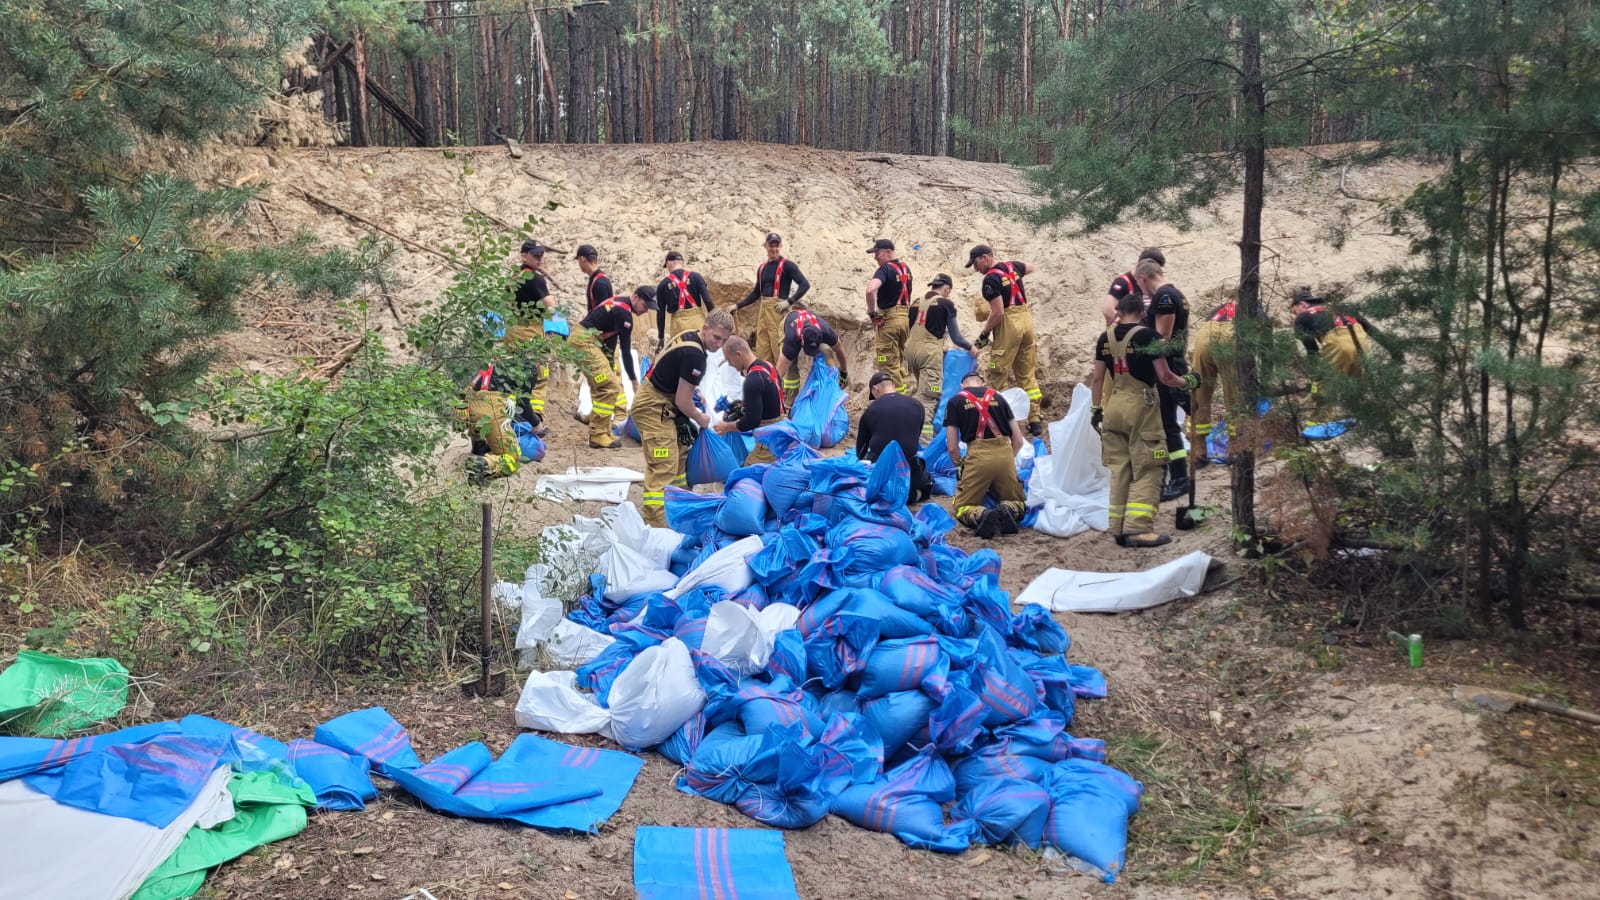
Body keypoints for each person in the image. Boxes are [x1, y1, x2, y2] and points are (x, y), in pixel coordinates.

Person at [1090, 292, 1200, 548]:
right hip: (1140, 407)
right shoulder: (1147, 336)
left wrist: (1096, 409)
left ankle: (1118, 527)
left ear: (1119, 312)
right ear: (1142, 313)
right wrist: (1188, 382)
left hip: (1113, 406)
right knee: (1150, 466)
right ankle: (1138, 528)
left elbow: (1097, 379)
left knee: (1120, 468)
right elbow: (1165, 376)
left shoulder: (1105, 338)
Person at [636, 308, 735, 525]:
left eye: (724, 340)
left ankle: (679, 505)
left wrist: (694, 393)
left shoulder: (689, 337)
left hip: (664, 402)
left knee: (681, 453)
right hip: (653, 407)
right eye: (716, 337)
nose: (719, 344)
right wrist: (700, 418)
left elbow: (678, 379)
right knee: (664, 464)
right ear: (705, 328)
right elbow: (682, 401)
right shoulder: (695, 355)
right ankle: (656, 522)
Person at [1133, 258, 1193, 501]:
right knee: (1186, 414)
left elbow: (1162, 336)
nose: (1142, 291)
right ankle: (1182, 472)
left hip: (1167, 367)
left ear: (1143, 278)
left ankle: (1180, 478)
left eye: (1140, 285)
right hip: (1173, 364)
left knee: (1169, 424)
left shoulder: (1164, 297)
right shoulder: (1176, 294)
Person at [968, 245, 1045, 436]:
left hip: (1009, 325)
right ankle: (1035, 419)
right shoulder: (1012, 266)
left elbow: (998, 313)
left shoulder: (990, 280)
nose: (976, 269)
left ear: (985, 257)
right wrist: (1012, 278)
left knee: (997, 371)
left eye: (976, 263)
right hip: (1026, 321)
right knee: (1026, 372)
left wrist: (983, 335)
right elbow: (1030, 267)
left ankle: (1001, 419)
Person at [945, 371, 1027, 539]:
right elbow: (1018, 440)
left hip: (977, 456)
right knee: (1017, 500)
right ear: (982, 383)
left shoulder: (955, 401)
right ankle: (1008, 509)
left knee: (963, 505)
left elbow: (952, 448)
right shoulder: (1000, 398)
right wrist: (1006, 461)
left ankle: (982, 514)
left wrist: (961, 468)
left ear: (962, 385)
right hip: (1005, 453)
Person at [570, 288, 647, 450]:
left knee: (603, 384)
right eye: (645, 305)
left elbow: (611, 340)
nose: (646, 310)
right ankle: (598, 434)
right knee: (608, 385)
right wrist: (634, 381)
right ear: (635, 297)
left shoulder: (620, 305)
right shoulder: (624, 313)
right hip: (584, 342)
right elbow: (626, 351)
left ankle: (603, 430)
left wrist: (610, 364)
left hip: (585, 341)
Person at [1288, 287, 1367, 439]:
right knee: (1358, 380)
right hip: (1361, 339)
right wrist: (1394, 350)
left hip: (1337, 343)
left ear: (1302, 304)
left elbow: (1312, 351)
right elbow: (1370, 329)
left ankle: (1318, 425)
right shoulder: (1339, 308)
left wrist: (1315, 376)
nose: (1295, 315)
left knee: (1322, 386)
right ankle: (1362, 416)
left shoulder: (1303, 317)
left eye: (1294, 311)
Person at [905, 273, 976, 440]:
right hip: (929, 355)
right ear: (947, 288)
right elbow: (956, 337)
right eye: (948, 291)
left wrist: (938, 344)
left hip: (911, 352)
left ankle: (915, 431)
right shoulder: (946, 304)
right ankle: (924, 442)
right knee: (929, 399)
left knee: (923, 391)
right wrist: (970, 347)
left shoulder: (915, 302)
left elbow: (915, 329)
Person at [734, 232, 811, 366]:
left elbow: (805, 285)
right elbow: (756, 293)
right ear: (765, 246)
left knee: (778, 346)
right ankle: (766, 374)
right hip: (764, 311)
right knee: (762, 346)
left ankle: (781, 378)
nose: (774, 249)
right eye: (771, 246)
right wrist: (738, 305)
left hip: (778, 311)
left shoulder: (788, 266)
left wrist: (789, 301)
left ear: (780, 246)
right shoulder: (762, 268)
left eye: (776, 246)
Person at [858, 372, 934, 503]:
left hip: (880, 469)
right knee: (928, 484)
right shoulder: (917, 405)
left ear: (875, 389)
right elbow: (915, 437)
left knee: (869, 483)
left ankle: (889, 494)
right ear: (893, 386)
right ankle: (912, 495)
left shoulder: (872, 409)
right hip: (909, 470)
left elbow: (861, 448)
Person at [503, 239, 552, 431]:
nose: (540, 259)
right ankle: (534, 418)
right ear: (524, 256)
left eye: (541, 255)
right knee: (538, 375)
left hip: (512, 331)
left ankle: (513, 416)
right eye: (536, 256)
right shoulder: (535, 279)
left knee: (514, 375)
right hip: (530, 333)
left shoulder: (514, 277)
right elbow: (551, 307)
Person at [712, 336, 786, 464]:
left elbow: (751, 422)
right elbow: (769, 399)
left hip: (768, 439)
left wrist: (726, 427)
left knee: (744, 474)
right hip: (782, 428)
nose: (730, 364)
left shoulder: (752, 380)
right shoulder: (768, 366)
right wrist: (741, 408)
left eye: (729, 360)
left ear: (738, 355)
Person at [1189, 298, 1239, 467]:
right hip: (1230, 337)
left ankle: (1198, 451)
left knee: (1199, 394)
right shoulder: (1255, 310)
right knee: (1234, 395)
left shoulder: (1221, 308)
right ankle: (1235, 449)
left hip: (1204, 334)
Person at [460, 363, 524, 484]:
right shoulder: (520, 366)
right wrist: (536, 424)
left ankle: (478, 447)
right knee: (512, 458)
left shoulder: (488, 363)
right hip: (491, 407)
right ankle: (483, 464)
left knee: (480, 422)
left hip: (469, 406)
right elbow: (525, 405)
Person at [865, 238, 913, 389]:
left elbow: (870, 290)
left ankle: (894, 397)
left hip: (890, 320)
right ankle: (902, 391)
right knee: (898, 359)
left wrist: (872, 314)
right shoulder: (906, 269)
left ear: (888, 252)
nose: (875, 257)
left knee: (886, 361)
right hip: (905, 319)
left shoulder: (884, 270)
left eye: (877, 253)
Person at [776, 306, 848, 405]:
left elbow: (840, 350)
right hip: (789, 324)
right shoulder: (791, 339)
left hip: (810, 323)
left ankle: (828, 387)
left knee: (826, 351)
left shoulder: (826, 332)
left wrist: (844, 372)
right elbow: (779, 371)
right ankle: (790, 402)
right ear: (802, 339)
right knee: (791, 368)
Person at [656, 251, 714, 346]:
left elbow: (660, 314)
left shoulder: (663, 285)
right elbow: (708, 300)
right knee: (702, 351)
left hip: (679, 327)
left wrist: (661, 337)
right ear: (682, 263)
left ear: (668, 263)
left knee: (681, 353)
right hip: (697, 322)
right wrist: (714, 323)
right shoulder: (696, 277)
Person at [1103, 247, 1166, 324]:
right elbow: (1108, 310)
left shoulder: (1151, 282)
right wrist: (1126, 328)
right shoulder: (1122, 283)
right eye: (1154, 270)